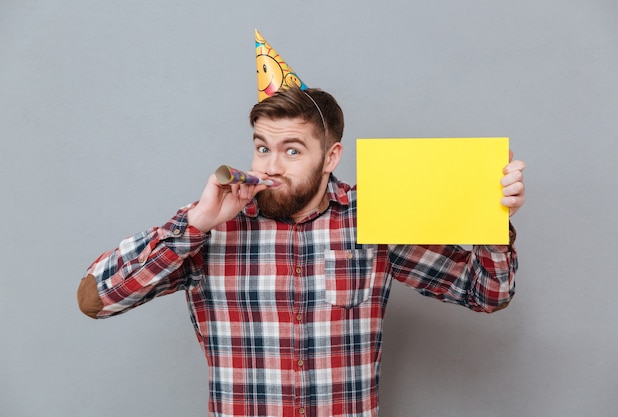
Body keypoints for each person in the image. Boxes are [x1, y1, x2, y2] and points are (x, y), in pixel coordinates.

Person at [77, 85, 525, 417]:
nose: (270, 166)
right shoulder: (210, 224)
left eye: (291, 150)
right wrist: (194, 224)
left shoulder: (375, 216)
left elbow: (488, 293)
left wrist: (491, 219)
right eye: (261, 147)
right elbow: (95, 300)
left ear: (330, 157)